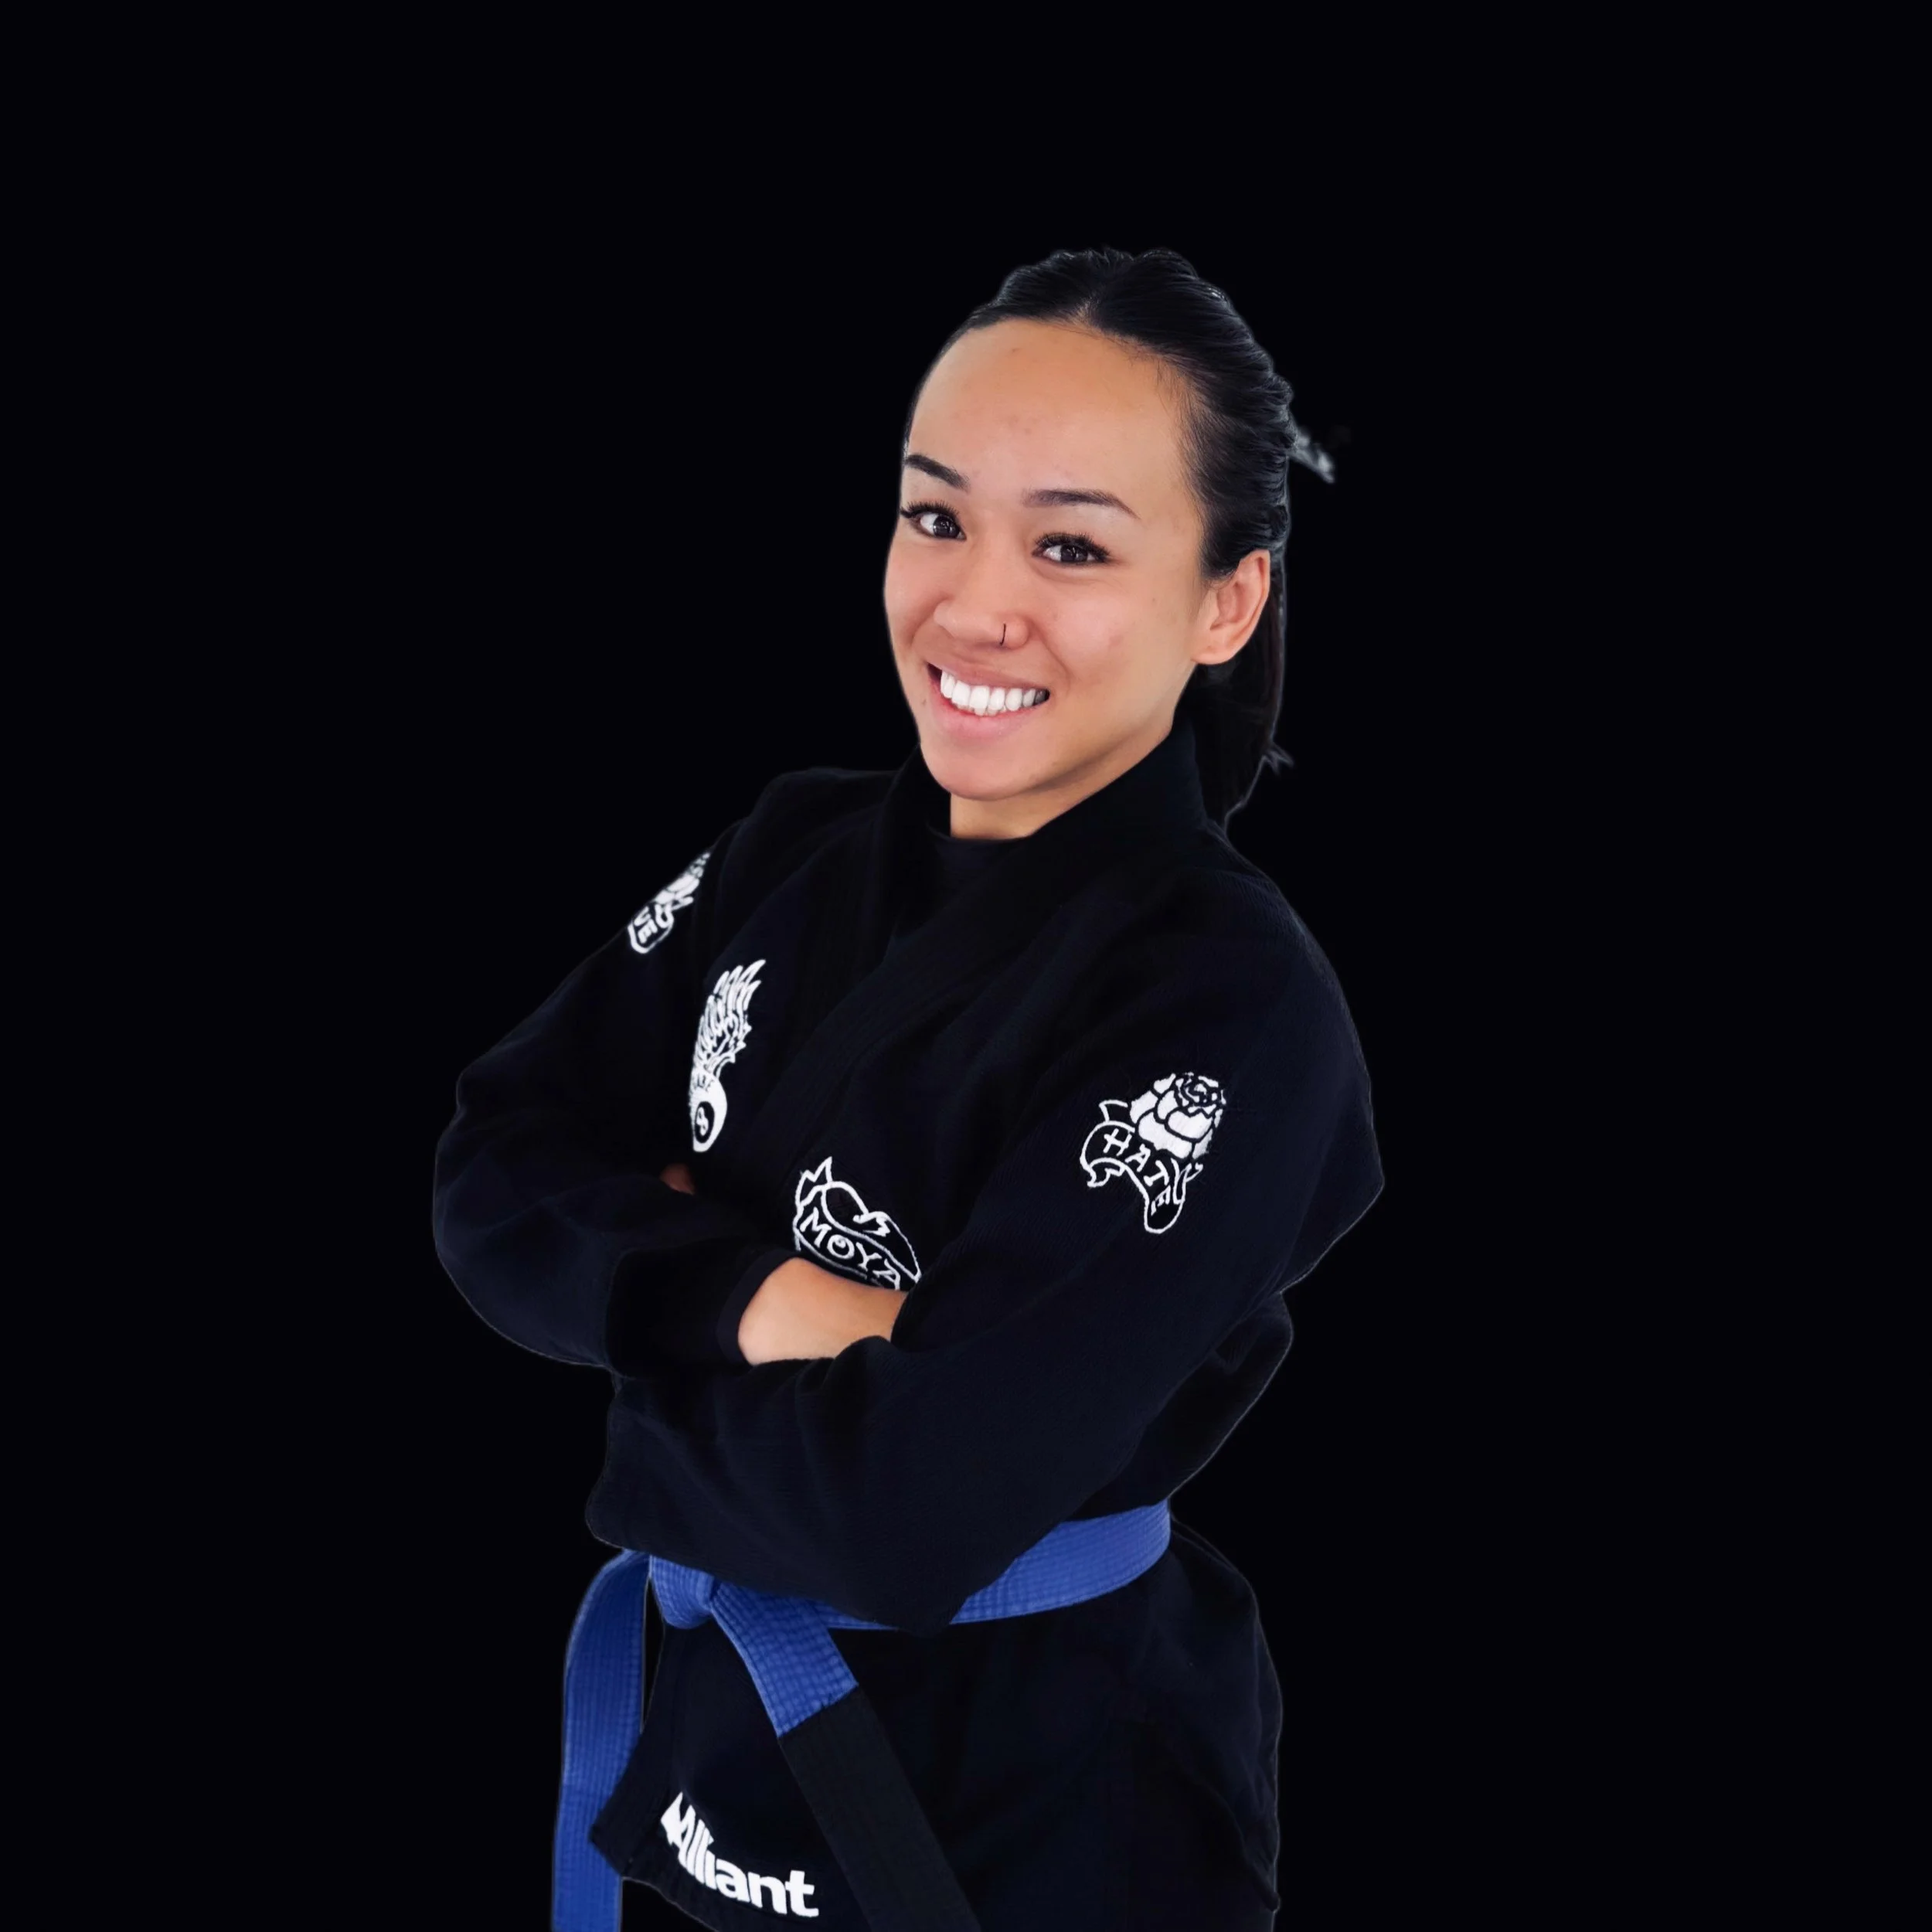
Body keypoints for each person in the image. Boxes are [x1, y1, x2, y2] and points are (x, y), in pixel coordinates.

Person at [434, 244, 1383, 1931]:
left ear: (1225, 601)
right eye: (935, 516)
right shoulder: (790, 847)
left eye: (1071, 545)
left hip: (1040, 1804)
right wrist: (769, 1303)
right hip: (713, 1742)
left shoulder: (1229, 1005)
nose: (974, 605)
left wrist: (630, 1345)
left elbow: (907, 1508)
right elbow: (488, 1174)